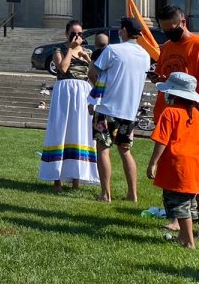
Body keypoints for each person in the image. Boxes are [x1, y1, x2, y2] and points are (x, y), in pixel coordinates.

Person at [154, 5, 199, 239]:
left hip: (194, 121)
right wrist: (157, 77)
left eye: (171, 29)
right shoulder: (167, 47)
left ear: (183, 22)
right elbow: (167, 76)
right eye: (163, 30)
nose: (168, 33)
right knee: (173, 171)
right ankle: (176, 219)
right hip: (170, 118)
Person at [87, 18, 148, 202]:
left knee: (103, 149)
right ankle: (132, 194)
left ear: (124, 31)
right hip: (129, 111)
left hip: (107, 108)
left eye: (121, 30)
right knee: (125, 150)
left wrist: (96, 90)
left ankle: (105, 194)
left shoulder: (113, 50)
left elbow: (93, 71)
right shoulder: (145, 55)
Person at [39, 20, 99, 191]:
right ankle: (56, 178)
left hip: (83, 91)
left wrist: (88, 59)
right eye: (73, 33)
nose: (77, 36)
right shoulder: (59, 50)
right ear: (67, 34)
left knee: (80, 130)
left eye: (80, 34)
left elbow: (95, 74)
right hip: (65, 90)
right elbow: (63, 69)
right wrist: (71, 48)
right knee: (62, 129)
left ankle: (76, 178)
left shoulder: (86, 51)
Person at [147, 72, 199, 249]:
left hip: (176, 164)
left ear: (173, 93)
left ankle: (189, 241)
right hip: (194, 164)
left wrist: (153, 163)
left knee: (180, 206)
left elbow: (162, 140)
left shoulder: (169, 112)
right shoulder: (195, 113)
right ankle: (182, 236)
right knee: (187, 201)